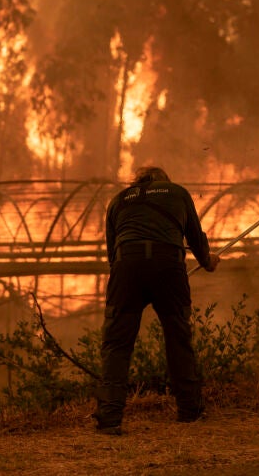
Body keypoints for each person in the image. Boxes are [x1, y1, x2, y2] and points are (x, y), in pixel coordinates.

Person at [93, 166, 220, 435]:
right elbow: (196, 239)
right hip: (167, 265)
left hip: (126, 266)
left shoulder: (118, 200)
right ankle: (189, 411)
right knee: (177, 337)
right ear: (164, 181)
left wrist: (128, 281)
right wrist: (208, 261)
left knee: (117, 344)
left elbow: (112, 255)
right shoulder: (177, 193)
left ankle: (110, 419)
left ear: (137, 182)